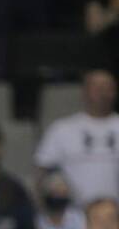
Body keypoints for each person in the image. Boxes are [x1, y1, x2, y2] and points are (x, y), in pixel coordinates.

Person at [35, 69, 119, 206]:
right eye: (97, 88)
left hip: (113, 219)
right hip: (73, 218)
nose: (103, 93)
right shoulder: (62, 129)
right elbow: (41, 173)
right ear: (84, 92)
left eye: (107, 88)